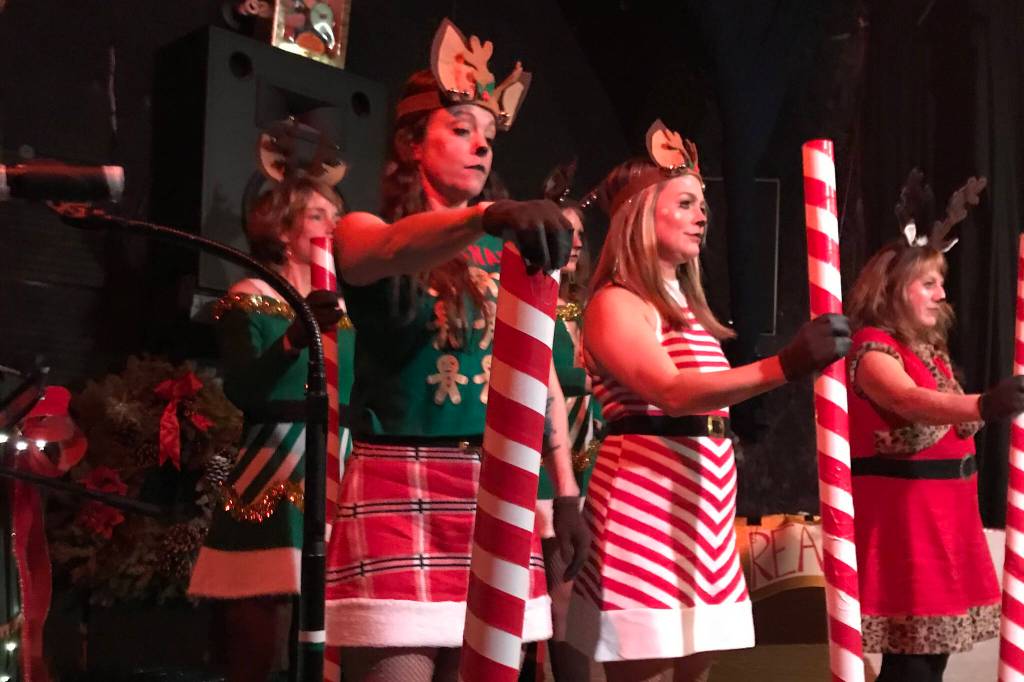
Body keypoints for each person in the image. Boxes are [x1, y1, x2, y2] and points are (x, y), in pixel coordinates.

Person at [323, 19, 586, 681]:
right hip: (398, 478)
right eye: (461, 130)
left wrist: (565, 493)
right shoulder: (369, 226)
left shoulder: (508, 252)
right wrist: (484, 217)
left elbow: (541, 381)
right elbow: (370, 254)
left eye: (489, 138)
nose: (480, 149)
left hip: (495, 489)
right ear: (413, 144)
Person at [565, 120, 852, 682]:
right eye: (687, 202)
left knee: (697, 668)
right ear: (643, 215)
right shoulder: (616, 302)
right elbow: (672, 391)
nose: (703, 215)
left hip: (705, 503)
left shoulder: (689, 310)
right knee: (643, 666)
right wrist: (784, 365)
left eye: (704, 205)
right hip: (645, 502)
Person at [188, 122, 354, 682]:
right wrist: (296, 336)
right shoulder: (250, 298)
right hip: (273, 463)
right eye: (317, 215)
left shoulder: (348, 309)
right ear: (282, 229)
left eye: (335, 213)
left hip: (338, 461)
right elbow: (245, 390)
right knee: (263, 628)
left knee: (335, 626)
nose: (333, 223)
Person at [846, 169, 1024, 682]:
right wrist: (982, 405)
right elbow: (908, 400)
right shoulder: (873, 348)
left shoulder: (930, 352)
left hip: (946, 515)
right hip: (909, 525)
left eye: (940, 283)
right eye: (929, 283)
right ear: (894, 289)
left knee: (930, 659)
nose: (940, 294)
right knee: (912, 667)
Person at [533, 162, 601, 681]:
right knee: (558, 590)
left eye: (580, 232)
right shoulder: (534, 299)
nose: (574, 241)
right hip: (548, 454)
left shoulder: (592, 305)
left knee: (583, 592)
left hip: (595, 453)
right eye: (565, 231)